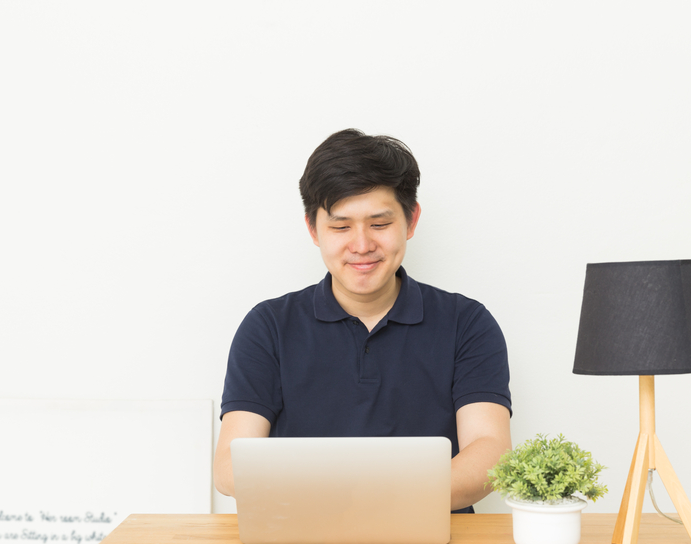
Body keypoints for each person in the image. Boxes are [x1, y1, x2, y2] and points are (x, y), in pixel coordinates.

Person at [213, 129, 511, 513]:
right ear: (312, 229)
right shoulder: (268, 326)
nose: (361, 245)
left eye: (379, 223)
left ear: (411, 219)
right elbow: (229, 467)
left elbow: (490, 452)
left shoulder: (467, 323)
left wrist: (372, 501)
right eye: (340, 227)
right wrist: (345, 501)